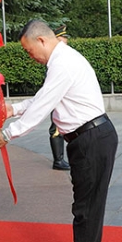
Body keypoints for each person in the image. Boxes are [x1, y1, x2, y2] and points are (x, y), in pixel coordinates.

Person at [0, 20, 118, 242]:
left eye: (29, 51)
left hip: (90, 139)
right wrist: (12, 110)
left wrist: (6, 134)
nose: (30, 57)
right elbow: (44, 98)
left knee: (86, 208)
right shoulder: (62, 60)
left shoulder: (62, 64)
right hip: (90, 138)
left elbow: (42, 107)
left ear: (41, 40)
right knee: (88, 205)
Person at [49, 24, 70, 171]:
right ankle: (58, 160)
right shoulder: (54, 59)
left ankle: (60, 159)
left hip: (62, 97)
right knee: (56, 129)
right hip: (57, 98)